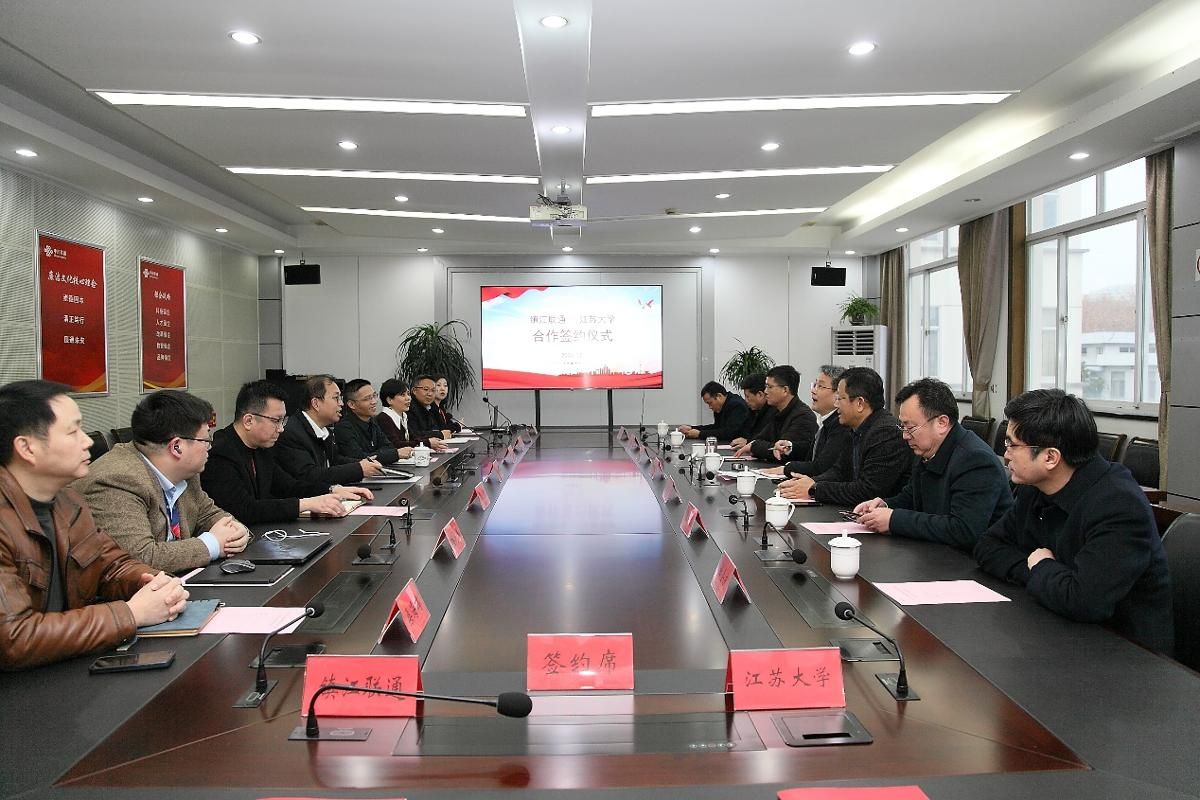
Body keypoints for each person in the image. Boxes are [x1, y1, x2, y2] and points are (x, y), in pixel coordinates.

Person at [0, 380, 188, 670]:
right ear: (27, 447)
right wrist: (130, 614)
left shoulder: (68, 502)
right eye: (73, 432)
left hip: (64, 666)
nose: (87, 441)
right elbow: (14, 638)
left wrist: (152, 582)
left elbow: (111, 565)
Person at [974, 389, 1172, 653]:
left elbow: (1085, 601)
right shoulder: (1035, 487)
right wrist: (1035, 568)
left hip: (1123, 653)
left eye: (1012, 445)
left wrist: (1042, 567)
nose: (1005, 453)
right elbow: (988, 546)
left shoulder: (1118, 505)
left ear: (1050, 457)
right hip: (1055, 628)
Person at [74, 390, 249, 574]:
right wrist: (212, 544)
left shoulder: (186, 473)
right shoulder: (117, 480)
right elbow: (139, 558)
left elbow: (208, 514)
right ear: (177, 447)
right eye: (205, 440)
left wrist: (236, 532)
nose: (209, 447)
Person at [852, 378, 1013, 552]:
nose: (905, 436)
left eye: (910, 428)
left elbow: (963, 530)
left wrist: (894, 520)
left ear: (942, 423)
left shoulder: (975, 460)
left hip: (971, 560)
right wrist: (884, 505)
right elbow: (911, 497)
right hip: (936, 552)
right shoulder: (927, 449)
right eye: (902, 427)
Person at [201, 380, 373, 524]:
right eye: (276, 421)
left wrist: (332, 490)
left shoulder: (261, 447)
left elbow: (288, 486)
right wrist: (305, 504)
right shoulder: (220, 454)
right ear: (248, 421)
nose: (281, 429)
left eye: (283, 421)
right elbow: (244, 509)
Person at [779, 366, 911, 506]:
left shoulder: (886, 433)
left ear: (859, 403)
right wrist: (811, 482)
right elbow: (839, 471)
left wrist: (814, 489)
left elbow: (868, 490)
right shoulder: (855, 428)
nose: (836, 404)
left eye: (840, 398)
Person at [276, 375, 384, 485]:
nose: (341, 403)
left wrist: (362, 463)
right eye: (336, 398)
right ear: (316, 403)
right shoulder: (292, 432)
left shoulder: (325, 431)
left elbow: (334, 460)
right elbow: (309, 475)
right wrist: (358, 469)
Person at [762, 365, 850, 479]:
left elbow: (821, 466)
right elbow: (814, 452)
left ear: (837, 394)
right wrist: (790, 447)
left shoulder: (841, 424)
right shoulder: (827, 420)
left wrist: (787, 468)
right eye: (815, 385)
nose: (813, 390)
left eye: (820, 386)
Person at [734, 365, 817, 463]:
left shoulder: (803, 416)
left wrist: (755, 446)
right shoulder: (777, 411)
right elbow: (757, 440)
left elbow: (782, 453)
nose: (765, 391)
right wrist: (757, 445)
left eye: (769, 387)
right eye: (766, 387)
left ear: (785, 390)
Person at [333, 379, 401, 465]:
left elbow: (389, 447)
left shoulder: (372, 421)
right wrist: (387, 454)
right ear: (351, 404)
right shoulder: (344, 428)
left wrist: (378, 454)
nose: (374, 402)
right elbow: (359, 458)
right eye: (367, 399)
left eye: (374, 396)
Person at [376, 378, 448, 453]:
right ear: (389, 400)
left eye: (408, 394)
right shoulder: (383, 419)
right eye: (402, 395)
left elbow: (413, 438)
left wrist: (430, 442)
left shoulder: (403, 416)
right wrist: (427, 443)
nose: (408, 398)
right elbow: (396, 445)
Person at [679, 381, 751, 442]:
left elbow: (729, 433)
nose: (710, 407)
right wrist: (692, 428)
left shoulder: (737, 405)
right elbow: (717, 427)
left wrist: (700, 434)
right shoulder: (720, 406)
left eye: (710, 403)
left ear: (719, 396)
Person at [408, 375, 454, 442]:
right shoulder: (409, 408)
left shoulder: (429, 408)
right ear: (414, 391)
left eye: (433, 390)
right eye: (426, 389)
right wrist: (440, 434)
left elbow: (434, 428)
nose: (430, 394)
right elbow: (414, 435)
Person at [729, 373, 769, 448]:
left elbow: (767, 439)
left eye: (748, 396)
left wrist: (748, 442)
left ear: (760, 395)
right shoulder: (752, 410)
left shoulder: (774, 412)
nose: (746, 400)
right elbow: (742, 432)